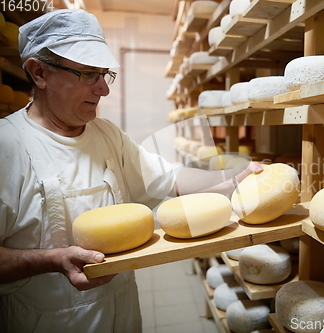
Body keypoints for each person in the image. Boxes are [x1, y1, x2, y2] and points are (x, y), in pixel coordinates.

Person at [0, 9, 262, 333]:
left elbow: (169, 179)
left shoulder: (107, 135)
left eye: (104, 74)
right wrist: (50, 260)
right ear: (39, 73)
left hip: (123, 317)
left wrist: (235, 177)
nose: (103, 90)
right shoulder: (7, 146)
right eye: (87, 75)